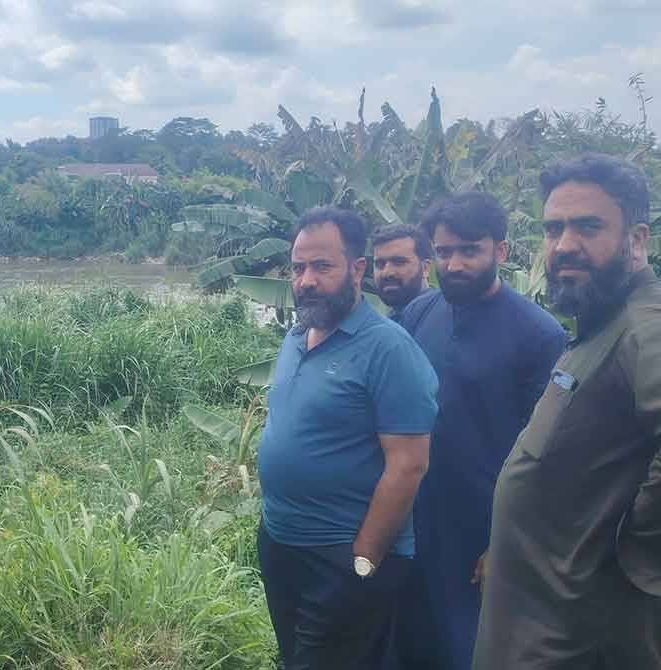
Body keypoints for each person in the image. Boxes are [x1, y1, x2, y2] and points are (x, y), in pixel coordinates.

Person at [474, 154, 661, 669]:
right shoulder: (602, 320)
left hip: (576, 639)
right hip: (538, 626)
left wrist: (636, 553)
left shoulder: (645, 326)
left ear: (637, 239)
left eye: (589, 227)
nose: (564, 245)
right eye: (553, 229)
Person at [387, 193, 566, 670]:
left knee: (467, 649)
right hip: (412, 515)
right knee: (406, 642)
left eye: (469, 250)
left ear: (501, 252)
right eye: (444, 253)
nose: (455, 263)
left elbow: (546, 454)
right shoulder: (422, 312)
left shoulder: (540, 335)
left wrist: (503, 543)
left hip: (480, 529)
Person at [257, 206, 439, 669]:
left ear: (357, 269)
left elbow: (409, 463)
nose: (306, 280)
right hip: (282, 541)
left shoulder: (389, 349)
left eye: (322, 266)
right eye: (298, 268)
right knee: (294, 656)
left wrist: (365, 556)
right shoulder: (297, 336)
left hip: (342, 553)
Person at [371, 223, 436, 321]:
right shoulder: (383, 323)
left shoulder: (443, 316)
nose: (387, 273)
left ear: (425, 268)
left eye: (399, 262)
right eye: (380, 264)